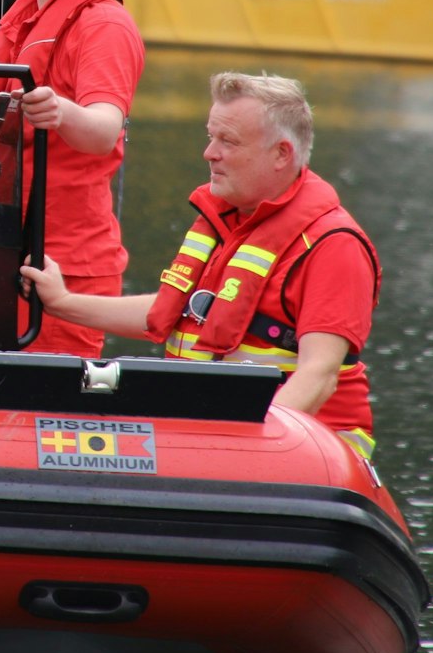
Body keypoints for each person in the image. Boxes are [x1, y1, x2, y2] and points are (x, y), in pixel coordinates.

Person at [20, 72, 381, 456]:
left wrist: (250, 448)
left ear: (281, 154)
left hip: (303, 459)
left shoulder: (334, 245)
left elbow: (319, 375)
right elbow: (171, 312)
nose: (210, 152)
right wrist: (62, 302)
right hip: (216, 438)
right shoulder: (230, 221)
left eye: (227, 141)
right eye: (211, 137)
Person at [0, 0, 146, 359]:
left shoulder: (103, 26)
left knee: (41, 416)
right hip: (5, 245)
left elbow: (102, 130)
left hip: (61, 267)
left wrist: (60, 111)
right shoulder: (27, 10)